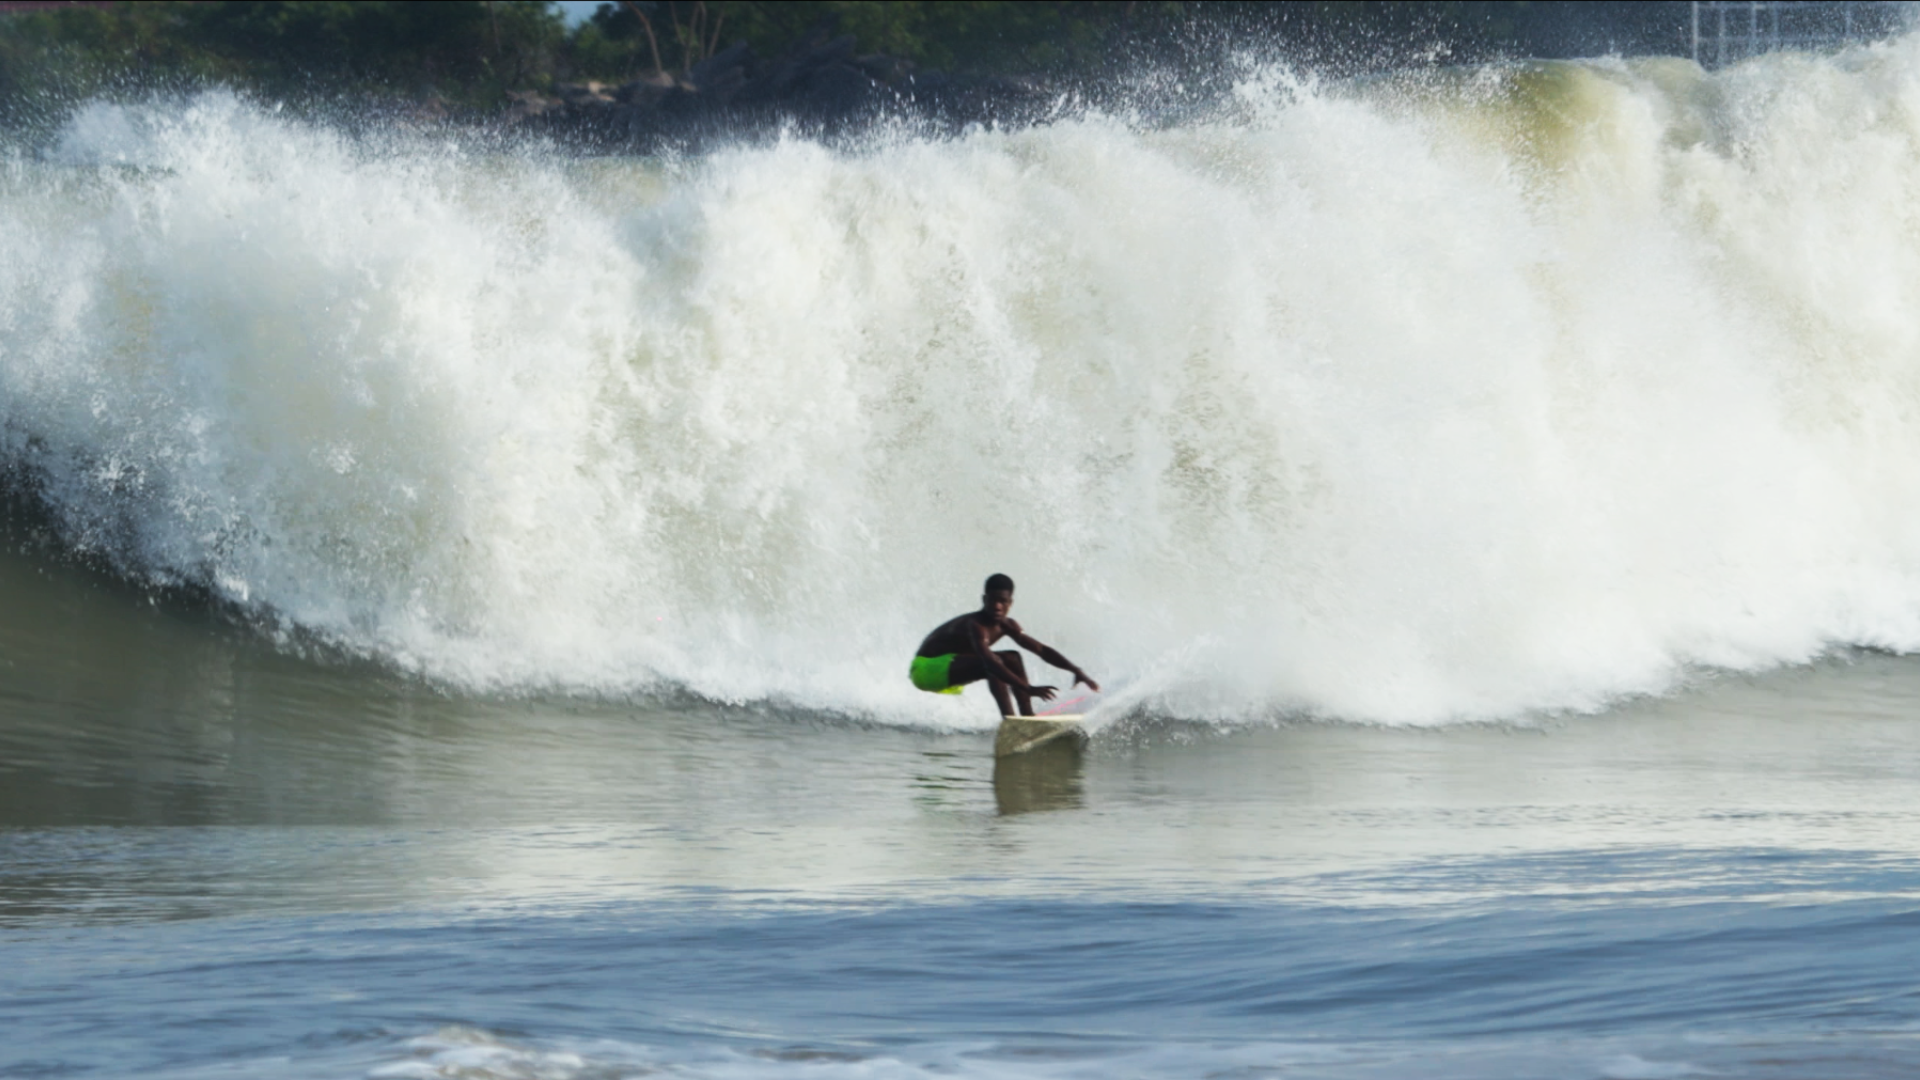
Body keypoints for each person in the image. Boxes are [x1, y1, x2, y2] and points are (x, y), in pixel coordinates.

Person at [910, 573, 1100, 718]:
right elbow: (990, 662)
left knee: (1012, 657)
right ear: (984, 600)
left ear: (1011, 603)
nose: (998, 606)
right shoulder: (975, 626)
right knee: (995, 663)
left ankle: (1027, 718)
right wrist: (1027, 687)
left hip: (949, 670)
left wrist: (1076, 670)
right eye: (993, 600)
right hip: (925, 670)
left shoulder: (1007, 625)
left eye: (1003, 601)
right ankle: (1010, 720)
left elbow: (1041, 650)